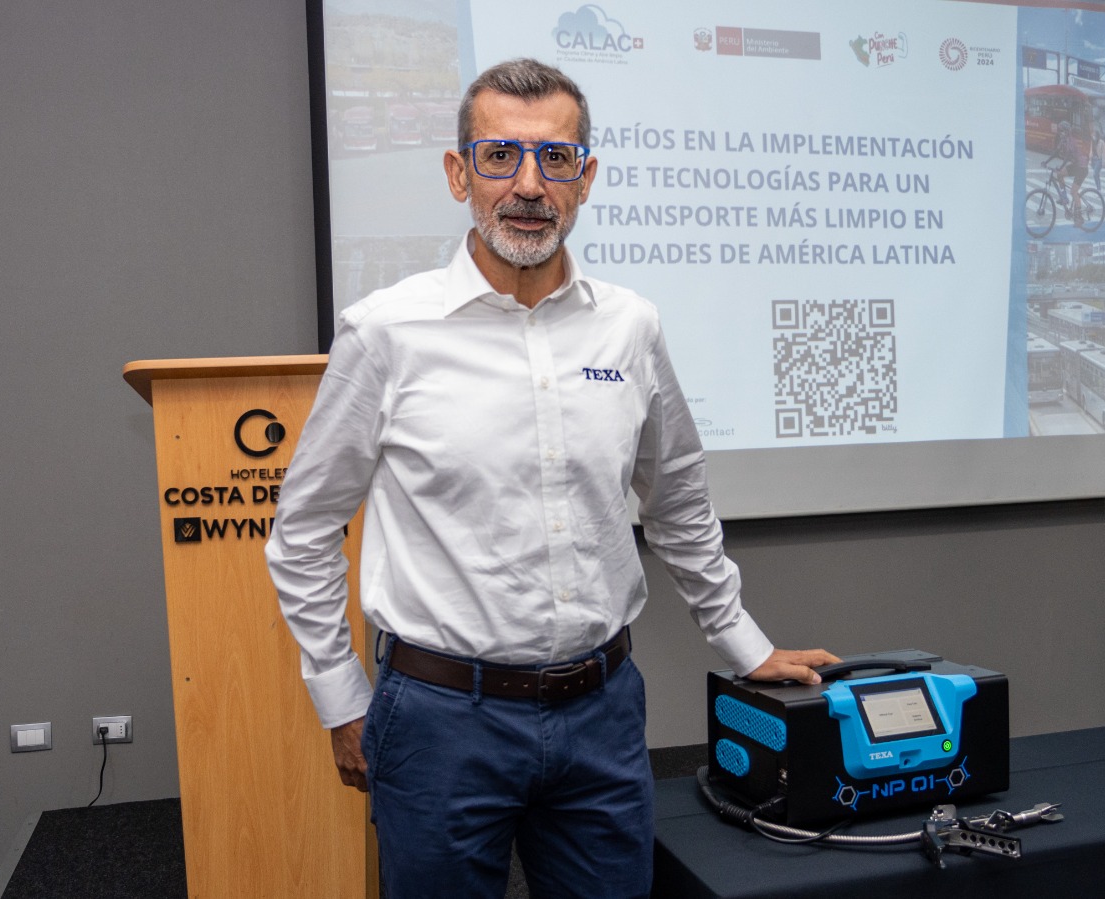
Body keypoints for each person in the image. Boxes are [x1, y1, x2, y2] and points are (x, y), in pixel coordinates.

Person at [266, 58, 838, 899]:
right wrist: (342, 697)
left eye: (555, 158)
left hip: (601, 714)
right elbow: (304, 531)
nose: (529, 185)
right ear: (459, 173)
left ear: (585, 178)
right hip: (438, 721)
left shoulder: (630, 327)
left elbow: (678, 497)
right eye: (500, 156)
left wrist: (743, 644)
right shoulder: (387, 332)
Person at [1049, 119, 1091, 224]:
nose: (1060, 133)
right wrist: (1046, 162)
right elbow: (1056, 152)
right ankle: (1064, 197)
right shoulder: (1063, 140)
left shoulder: (1072, 140)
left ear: (1067, 131)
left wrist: (1061, 166)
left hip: (1082, 168)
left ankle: (1079, 217)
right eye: (1059, 131)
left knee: (1073, 192)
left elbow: (1067, 156)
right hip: (1076, 165)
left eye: (1062, 131)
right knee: (1059, 174)